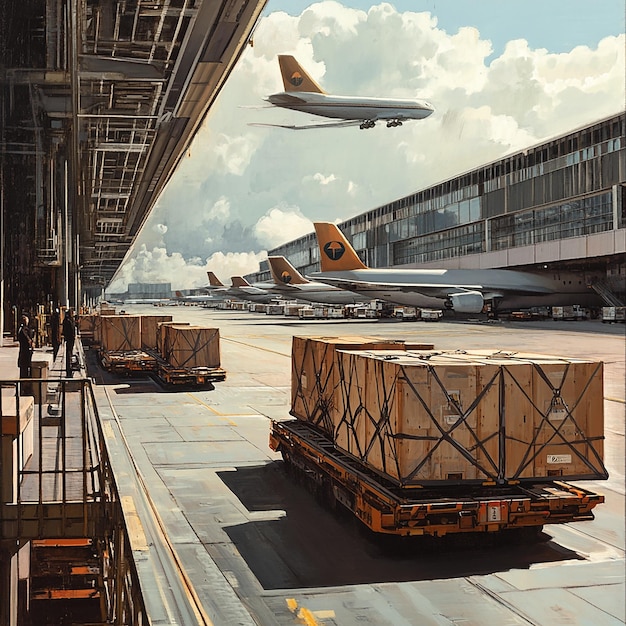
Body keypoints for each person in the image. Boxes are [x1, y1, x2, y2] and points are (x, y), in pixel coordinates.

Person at [17, 315, 34, 379]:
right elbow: (27, 339)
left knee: (25, 368)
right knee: (24, 369)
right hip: (25, 352)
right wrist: (30, 342)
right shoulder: (23, 330)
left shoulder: (25, 329)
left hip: (25, 352)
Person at [62, 309, 76, 377]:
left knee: (69, 354)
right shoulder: (68, 321)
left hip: (69, 339)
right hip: (70, 339)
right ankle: (69, 371)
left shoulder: (67, 320)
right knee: (69, 354)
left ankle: (69, 369)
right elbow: (71, 330)